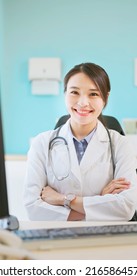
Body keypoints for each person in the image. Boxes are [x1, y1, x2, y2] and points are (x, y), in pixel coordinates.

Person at [24, 62, 137, 221]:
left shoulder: (121, 145)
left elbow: (125, 208)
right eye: (74, 92)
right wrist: (100, 201)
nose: (83, 102)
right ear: (65, 94)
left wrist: (63, 199)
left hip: (105, 237)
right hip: (57, 237)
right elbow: (32, 208)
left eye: (93, 94)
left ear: (106, 98)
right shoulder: (41, 143)